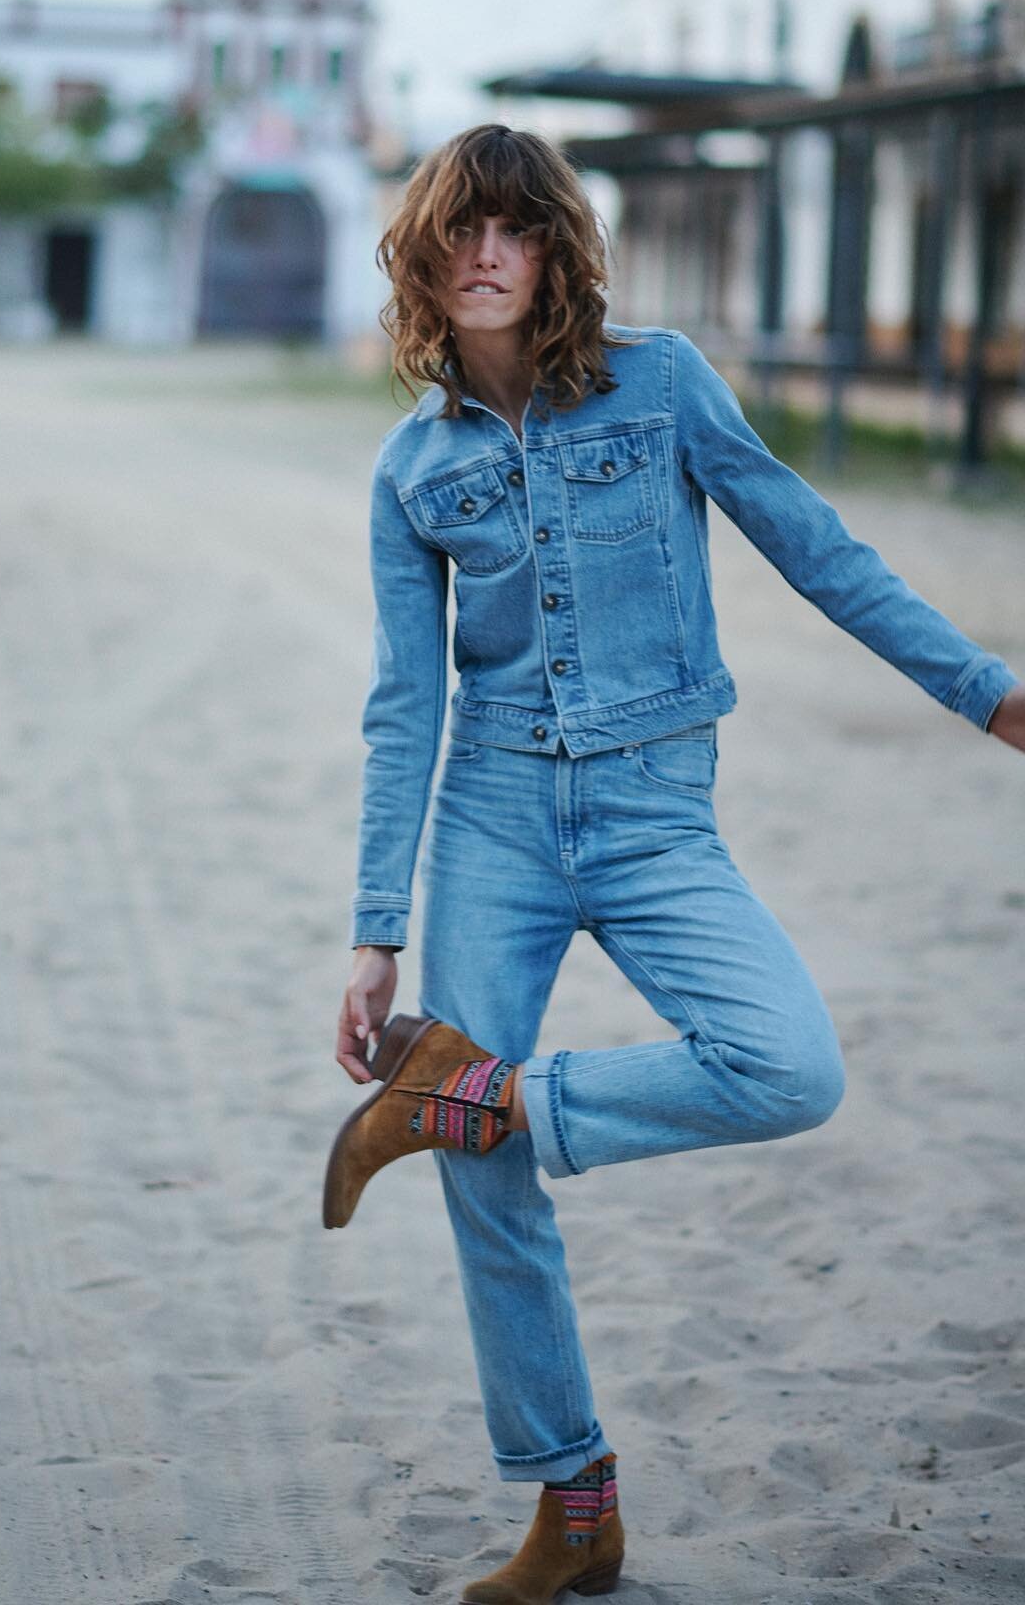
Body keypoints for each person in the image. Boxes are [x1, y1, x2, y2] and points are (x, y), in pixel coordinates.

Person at [322, 122, 1025, 1605]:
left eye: (516, 231)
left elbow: (815, 544)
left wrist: (983, 687)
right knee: (480, 1189)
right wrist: (378, 927)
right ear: (424, 257)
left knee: (787, 1064)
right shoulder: (411, 468)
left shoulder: (663, 385)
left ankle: (481, 1096)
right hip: (493, 821)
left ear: (556, 249)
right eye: (461, 234)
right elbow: (407, 701)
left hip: (654, 817)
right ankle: (574, 1513)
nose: (488, 256)